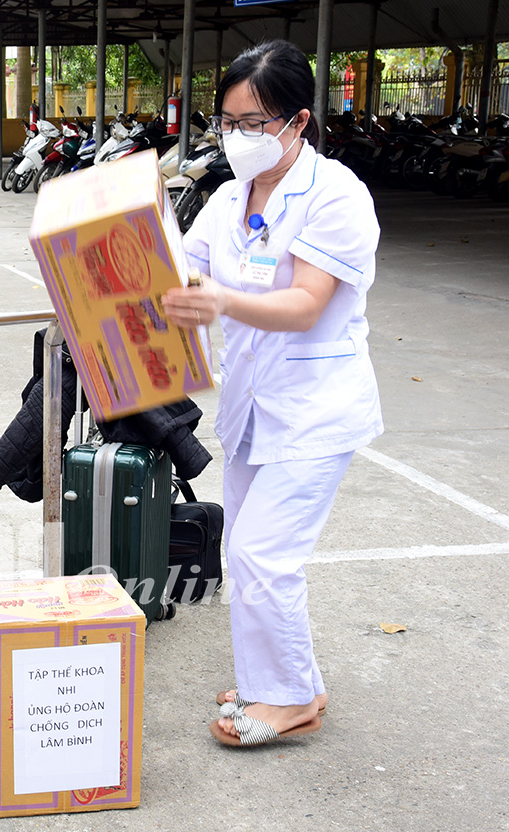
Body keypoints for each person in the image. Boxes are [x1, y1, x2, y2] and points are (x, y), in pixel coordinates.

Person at [161, 40, 383, 747]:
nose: (238, 137)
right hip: (254, 405)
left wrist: (221, 299)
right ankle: (287, 680)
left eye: (254, 123)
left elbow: (307, 304)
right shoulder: (231, 196)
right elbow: (180, 265)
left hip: (316, 406)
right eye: (228, 122)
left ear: (298, 121)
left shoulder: (336, 196)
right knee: (248, 550)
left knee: (264, 553)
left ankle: (285, 700)